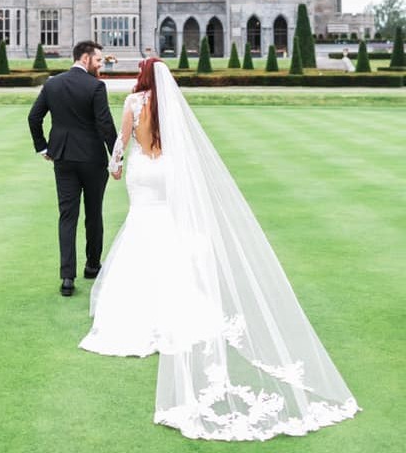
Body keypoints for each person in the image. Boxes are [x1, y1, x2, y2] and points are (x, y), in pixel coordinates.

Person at [79, 58, 360, 441]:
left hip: (144, 173)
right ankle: (178, 298)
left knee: (140, 225)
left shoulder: (134, 103)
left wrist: (116, 168)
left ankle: (136, 308)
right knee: (167, 228)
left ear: (141, 77)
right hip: (168, 172)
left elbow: (121, 142)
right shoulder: (172, 104)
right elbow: (183, 148)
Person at [28, 41, 117, 297]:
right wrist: (116, 158)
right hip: (92, 158)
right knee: (93, 213)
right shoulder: (96, 86)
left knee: (67, 216)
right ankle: (91, 266)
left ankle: (67, 277)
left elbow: (34, 117)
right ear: (86, 58)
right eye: (98, 60)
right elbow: (105, 125)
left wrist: (43, 147)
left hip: (63, 158)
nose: (101, 65)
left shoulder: (52, 83)